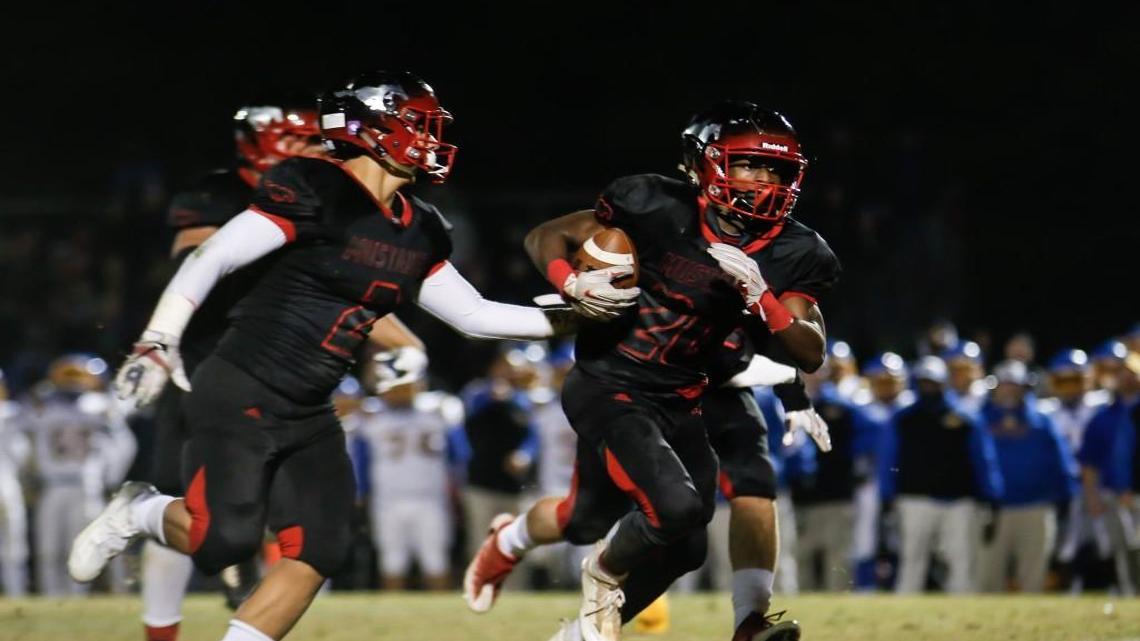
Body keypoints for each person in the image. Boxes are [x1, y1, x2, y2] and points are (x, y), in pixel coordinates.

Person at [68, 71, 586, 641]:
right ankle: (139, 510)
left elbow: (476, 316)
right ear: (374, 128)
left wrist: (578, 315)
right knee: (224, 541)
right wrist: (159, 339)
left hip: (311, 406)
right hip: (244, 384)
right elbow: (213, 256)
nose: (431, 138)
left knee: (321, 548)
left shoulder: (420, 227)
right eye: (419, 124)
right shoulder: (315, 186)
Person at [465, 101, 839, 641]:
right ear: (705, 165)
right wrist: (571, 281)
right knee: (637, 514)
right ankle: (574, 564)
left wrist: (766, 302)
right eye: (749, 165)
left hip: (690, 393)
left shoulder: (798, 250)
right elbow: (546, 236)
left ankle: (585, 633)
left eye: (775, 169)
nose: (764, 180)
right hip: (612, 383)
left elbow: (808, 351)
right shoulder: (652, 204)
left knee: (684, 541)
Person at [879, 356, 1003, 594]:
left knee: (960, 560)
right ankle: (905, 612)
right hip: (914, 499)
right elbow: (889, 459)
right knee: (912, 560)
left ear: (943, 383)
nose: (928, 388)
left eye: (933, 383)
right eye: (924, 383)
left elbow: (983, 458)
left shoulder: (966, 418)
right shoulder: (903, 419)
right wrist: (887, 495)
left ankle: (962, 610)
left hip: (958, 499)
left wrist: (991, 495)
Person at [28, 354, 136, 596]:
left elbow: (122, 439)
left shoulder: (99, 404)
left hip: (86, 486)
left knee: (80, 546)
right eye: (68, 375)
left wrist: (112, 477)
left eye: (79, 375)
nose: (74, 381)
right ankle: (51, 595)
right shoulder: (45, 405)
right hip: (52, 485)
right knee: (48, 547)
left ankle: (78, 595)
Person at [353, 370, 464, 590]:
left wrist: (458, 489)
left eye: (406, 387)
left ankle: (441, 617)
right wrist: (360, 492)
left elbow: (459, 454)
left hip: (430, 498)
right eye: (395, 387)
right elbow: (361, 460)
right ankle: (393, 617)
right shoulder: (371, 416)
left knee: (436, 561)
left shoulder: (438, 410)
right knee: (391, 563)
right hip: (388, 499)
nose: (400, 393)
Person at [976, 360, 1077, 592]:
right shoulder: (980, 419)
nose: (1009, 390)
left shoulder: (1042, 421)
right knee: (989, 578)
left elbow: (1061, 461)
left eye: (1015, 385)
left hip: (1036, 506)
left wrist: (1066, 496)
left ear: (1025, 388)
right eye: (1004, 385)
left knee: (1033, 576)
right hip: (994, 509)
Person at [787, 366, 875, 591]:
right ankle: (802, 609)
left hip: (836, 494)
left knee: (838, 559)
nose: (810, 375)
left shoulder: (841, 406)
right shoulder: (786, 404)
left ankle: (839, 608)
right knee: (800, 558)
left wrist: (853, 471)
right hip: (800, 496)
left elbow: (865, 441)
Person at [1075, 352, 1140, 594]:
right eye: (1122, 373)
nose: (1127, 378)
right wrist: (1092, 495)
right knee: (1121, 551)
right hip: (1113, 494)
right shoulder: (1102, 417)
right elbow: (1089, 461)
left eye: (1132, 373)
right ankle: (1128, 595)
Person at [850, 352, 911, 589]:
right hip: (869, 481)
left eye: (890, 382)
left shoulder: (910, 408)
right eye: (881, 381)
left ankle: (898, 584)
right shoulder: (860, 408)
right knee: (865, 537)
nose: (885, 388)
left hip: (905, 481)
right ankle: (864, 585)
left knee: (901, 537)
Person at [0, 368, 31, 597]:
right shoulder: (12, 411)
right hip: (6, 480)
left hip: (7, 479)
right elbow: (23, 452)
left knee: (13, 543)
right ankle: (15, 592)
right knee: (13, 543)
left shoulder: (12, 412)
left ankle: (15, 591)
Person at [943, 341, 987, 417]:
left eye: (966, 369)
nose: (961, 375)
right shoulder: (943, 390)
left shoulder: (985, 393)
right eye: (956, 370)